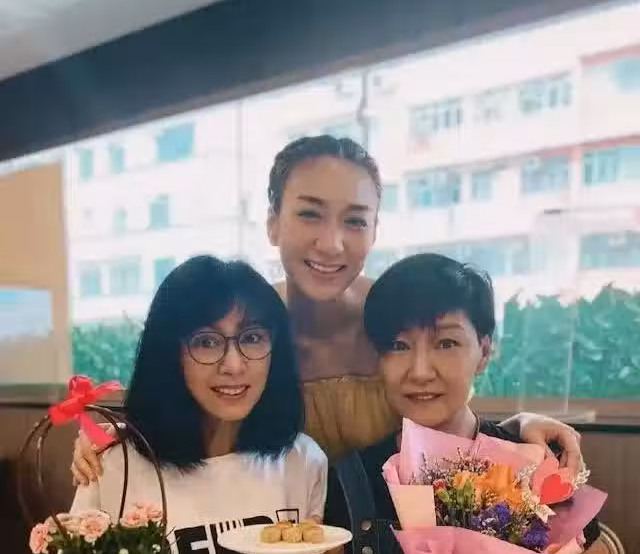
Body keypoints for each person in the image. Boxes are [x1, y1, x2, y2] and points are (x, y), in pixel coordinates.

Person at [71, 138, 581, 478]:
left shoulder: (398, 319)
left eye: (355, 221)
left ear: (375, 230)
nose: (332, 243)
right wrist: (123, 443)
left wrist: (516, 427)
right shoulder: (246, 327)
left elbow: (445, 403)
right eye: (310, 215)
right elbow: (189, 401)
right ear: (273, 222)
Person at [317, 254, 623, 554]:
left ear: (484, 351)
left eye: (446, 343)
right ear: (378, 359)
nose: (420, 371)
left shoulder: (531, 461)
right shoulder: (352, 478)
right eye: (399, 346)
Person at [46, 256, 338, 554]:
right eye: (206, 342)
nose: (233, 364)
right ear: (171, 352)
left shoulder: (302, 461)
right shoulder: (114, 465)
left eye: (253, 338)